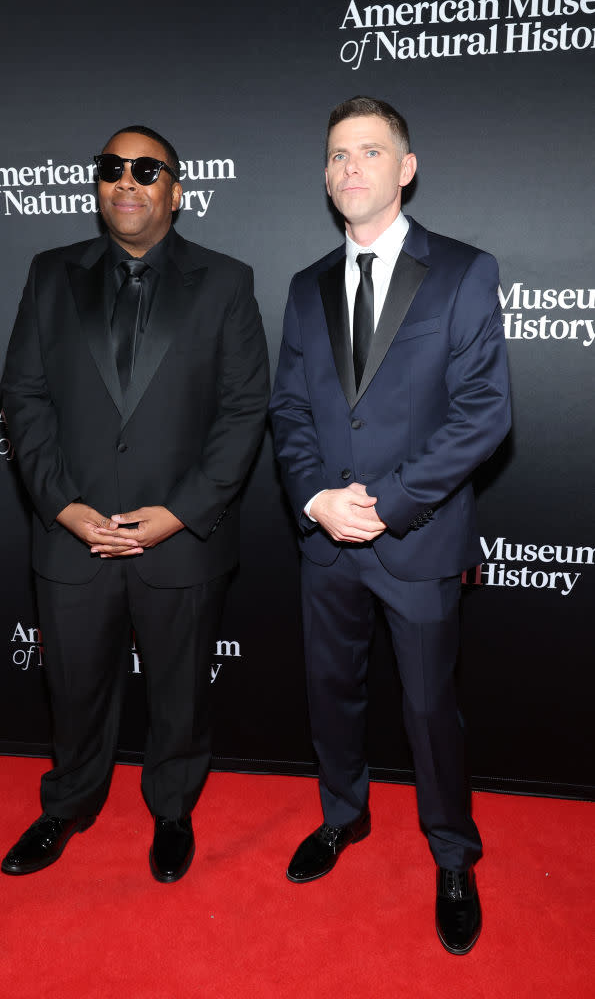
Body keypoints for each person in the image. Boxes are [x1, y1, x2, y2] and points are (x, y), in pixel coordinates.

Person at [269, 97, 510, 954]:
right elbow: (289, 413)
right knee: (331, 694)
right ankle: (342, 816)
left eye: (370, 152)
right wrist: (315, 501)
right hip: (324, 540)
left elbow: (483, 414)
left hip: (418, 537)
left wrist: (390, 503)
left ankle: (452, 852)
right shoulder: (303, 288)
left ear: (404, 168)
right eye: (336, 154)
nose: (350, 168)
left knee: (427, 707)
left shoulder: (462, 271)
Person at [0, 124, 269, 882]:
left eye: (147, 169)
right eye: (112, 167)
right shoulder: (50, 274)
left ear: (175, 193)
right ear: (98, 186)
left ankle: (173, 811)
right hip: (72, 536)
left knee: (180, 694)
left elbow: (244, 409)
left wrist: (179, 513)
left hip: (180, 540)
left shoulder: (225, 281)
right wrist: (62, 506)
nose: (127, 180)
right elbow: (23, 398)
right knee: (74, 688)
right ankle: (67, 807)